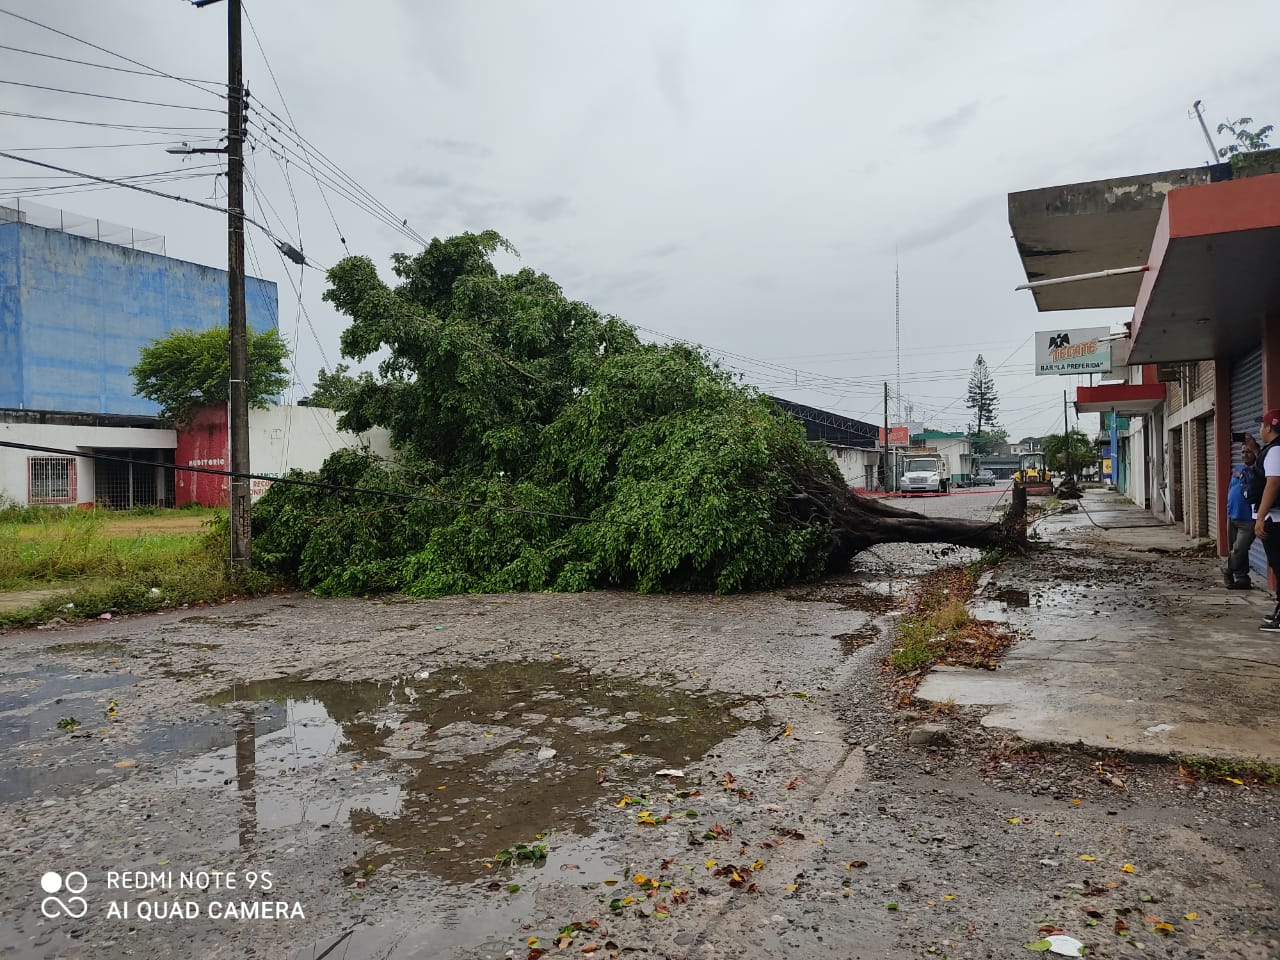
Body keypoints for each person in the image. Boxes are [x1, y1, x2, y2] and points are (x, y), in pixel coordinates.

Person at [1253, 409, 1280, 631]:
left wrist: (1260, 516)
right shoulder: (1271, 450)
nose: (1260, 429)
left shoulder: (1276, 450)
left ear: (1269, 427)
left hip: (1276, 519)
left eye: (1262, 425)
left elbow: (1273, 483)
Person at [1225, 435, 1260, 588]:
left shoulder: (1259, 469)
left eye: (1249, 452)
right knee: (1236, 548)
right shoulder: (1238, 469)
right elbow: (1232, 488)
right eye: (1243, 452)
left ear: (1254, 453)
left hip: (1248, 518)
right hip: (1233, 515)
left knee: (1239, 549)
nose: (1245, 454)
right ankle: (1242, 578)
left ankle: (1226, 569)